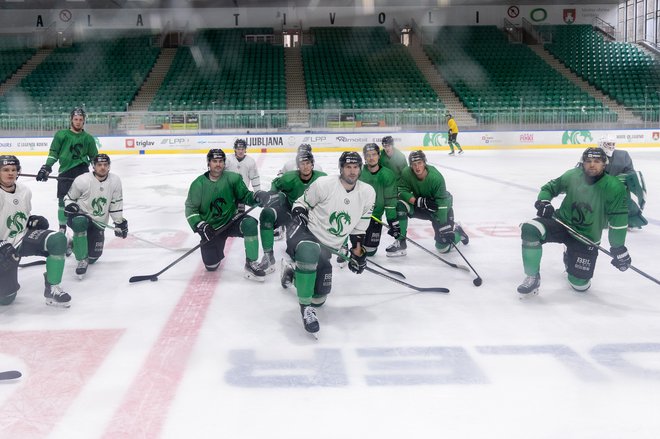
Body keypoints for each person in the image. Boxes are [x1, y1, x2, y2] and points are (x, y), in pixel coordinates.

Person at [281, 151, 375, 335]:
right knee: (309, 252)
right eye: (348, 167)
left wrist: (357, 253)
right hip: (308, 235)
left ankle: (292, 273)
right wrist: (299, 213)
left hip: (329, 247)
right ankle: (306, 309)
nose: (352, 171)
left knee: (320, 298)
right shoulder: (324, 185)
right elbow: (301, 203)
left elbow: (359, 228)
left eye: (356, 167)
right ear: (341, 168)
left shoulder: (367, 193)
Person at [518, 147, 630, 296]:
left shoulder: (615, 187)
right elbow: (550, 188)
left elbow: (618, 221)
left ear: (605, 164)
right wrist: (544, 201)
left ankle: (569, 255)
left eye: (596, 161)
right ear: (582, 163)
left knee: (579, 285)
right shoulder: (573, 176)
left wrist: (618, 248)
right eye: (588, 161)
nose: (592, 165)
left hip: (586, 236)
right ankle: (532, 277)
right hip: (562, 222)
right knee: (530, 228)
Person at [185, 149, 272, 281]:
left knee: (250, 224)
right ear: (208, 163)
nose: (218, 164)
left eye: (221, 161)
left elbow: (245, 196)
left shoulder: (233, 178)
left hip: (232, 221)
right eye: (214, 161)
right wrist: (201, 225)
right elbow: (191, 209)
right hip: (212, 229)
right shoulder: (198, 184)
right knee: (211, 265)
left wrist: (256, 196)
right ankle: (215, 250)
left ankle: (251, 263)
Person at [0, 155, 71, 307]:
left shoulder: (24, 190)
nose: (10, 173)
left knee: (57, 239)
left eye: (13, 169)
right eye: (5, 170)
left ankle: (52, 288)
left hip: (20, 238)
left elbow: (18, 214)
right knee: (6, 299)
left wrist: (31, 220)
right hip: (2, 247)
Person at [387, 150, 469, 257]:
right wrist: (417, 201)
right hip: (421, 206)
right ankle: (401, 242)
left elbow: (442, 202)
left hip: (439, 209)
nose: (417, 167)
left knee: (443, 247)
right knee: (400, 205)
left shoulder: (436, 177)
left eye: (420, 163)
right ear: (410, 165)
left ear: (424, 163)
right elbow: (401, 190)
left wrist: (444, 226)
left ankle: (458, 233)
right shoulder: (407, 172)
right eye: (414, 164)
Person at [257, 150, 327, 274]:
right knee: (267, 214)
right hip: (290, 214)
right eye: (302, 164)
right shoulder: (288, 178)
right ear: (297, 166)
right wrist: (274, 196)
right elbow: (275, 185)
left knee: (300, 253)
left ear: (312, 164)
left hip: (312, 218)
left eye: (308, 163)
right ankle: (268, 256)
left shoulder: (322, 179)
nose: (305, 166)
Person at [63, 153, 128, 279]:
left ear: (109, 166)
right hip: (80, 217)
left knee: (93, 257)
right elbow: (69, 198)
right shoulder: (82, 180)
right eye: (99, 165)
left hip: (99, 222)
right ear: (93, 166)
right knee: (80, 222)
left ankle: (71, 243)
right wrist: (70, 206)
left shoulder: (115, 180)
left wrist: (119, 222)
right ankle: (81, 260)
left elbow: (116, 203)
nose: (102, 167)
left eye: (105, 165)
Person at [36, 107, 99, 233]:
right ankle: (62, 228)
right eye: (76, 119)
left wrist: (98, 173)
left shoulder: (88, 138)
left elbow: (94, 158)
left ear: (84, 121)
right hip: (66, 171)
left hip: (82, 172)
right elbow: (54, 153)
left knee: (83, 202)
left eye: (81, 119)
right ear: (71, 120)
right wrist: (47, 167)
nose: (78, 122)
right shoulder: (61, 135)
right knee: (62, 201)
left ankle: (83, 227)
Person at [355, 143, 399, 256]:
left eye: (374, 154)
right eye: (368, 155)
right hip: (356, 215)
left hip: (375, 217)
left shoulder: (388, 175)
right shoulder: (358, 172)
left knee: (370, 252)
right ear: (364, 157)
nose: (371, 158)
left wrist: (392, 220)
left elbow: (389, 201)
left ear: (379, 156)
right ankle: (344, 245)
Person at [598, 137, 647, 229]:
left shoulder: (623, 155)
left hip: (617, 187)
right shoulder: (592, 154)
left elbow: (631, 172)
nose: (611, 146)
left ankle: (630, 218)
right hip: (599, 188)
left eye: (613, 144)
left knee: (625, 199)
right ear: (601, 144)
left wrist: (622, 178)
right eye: (608, 144)